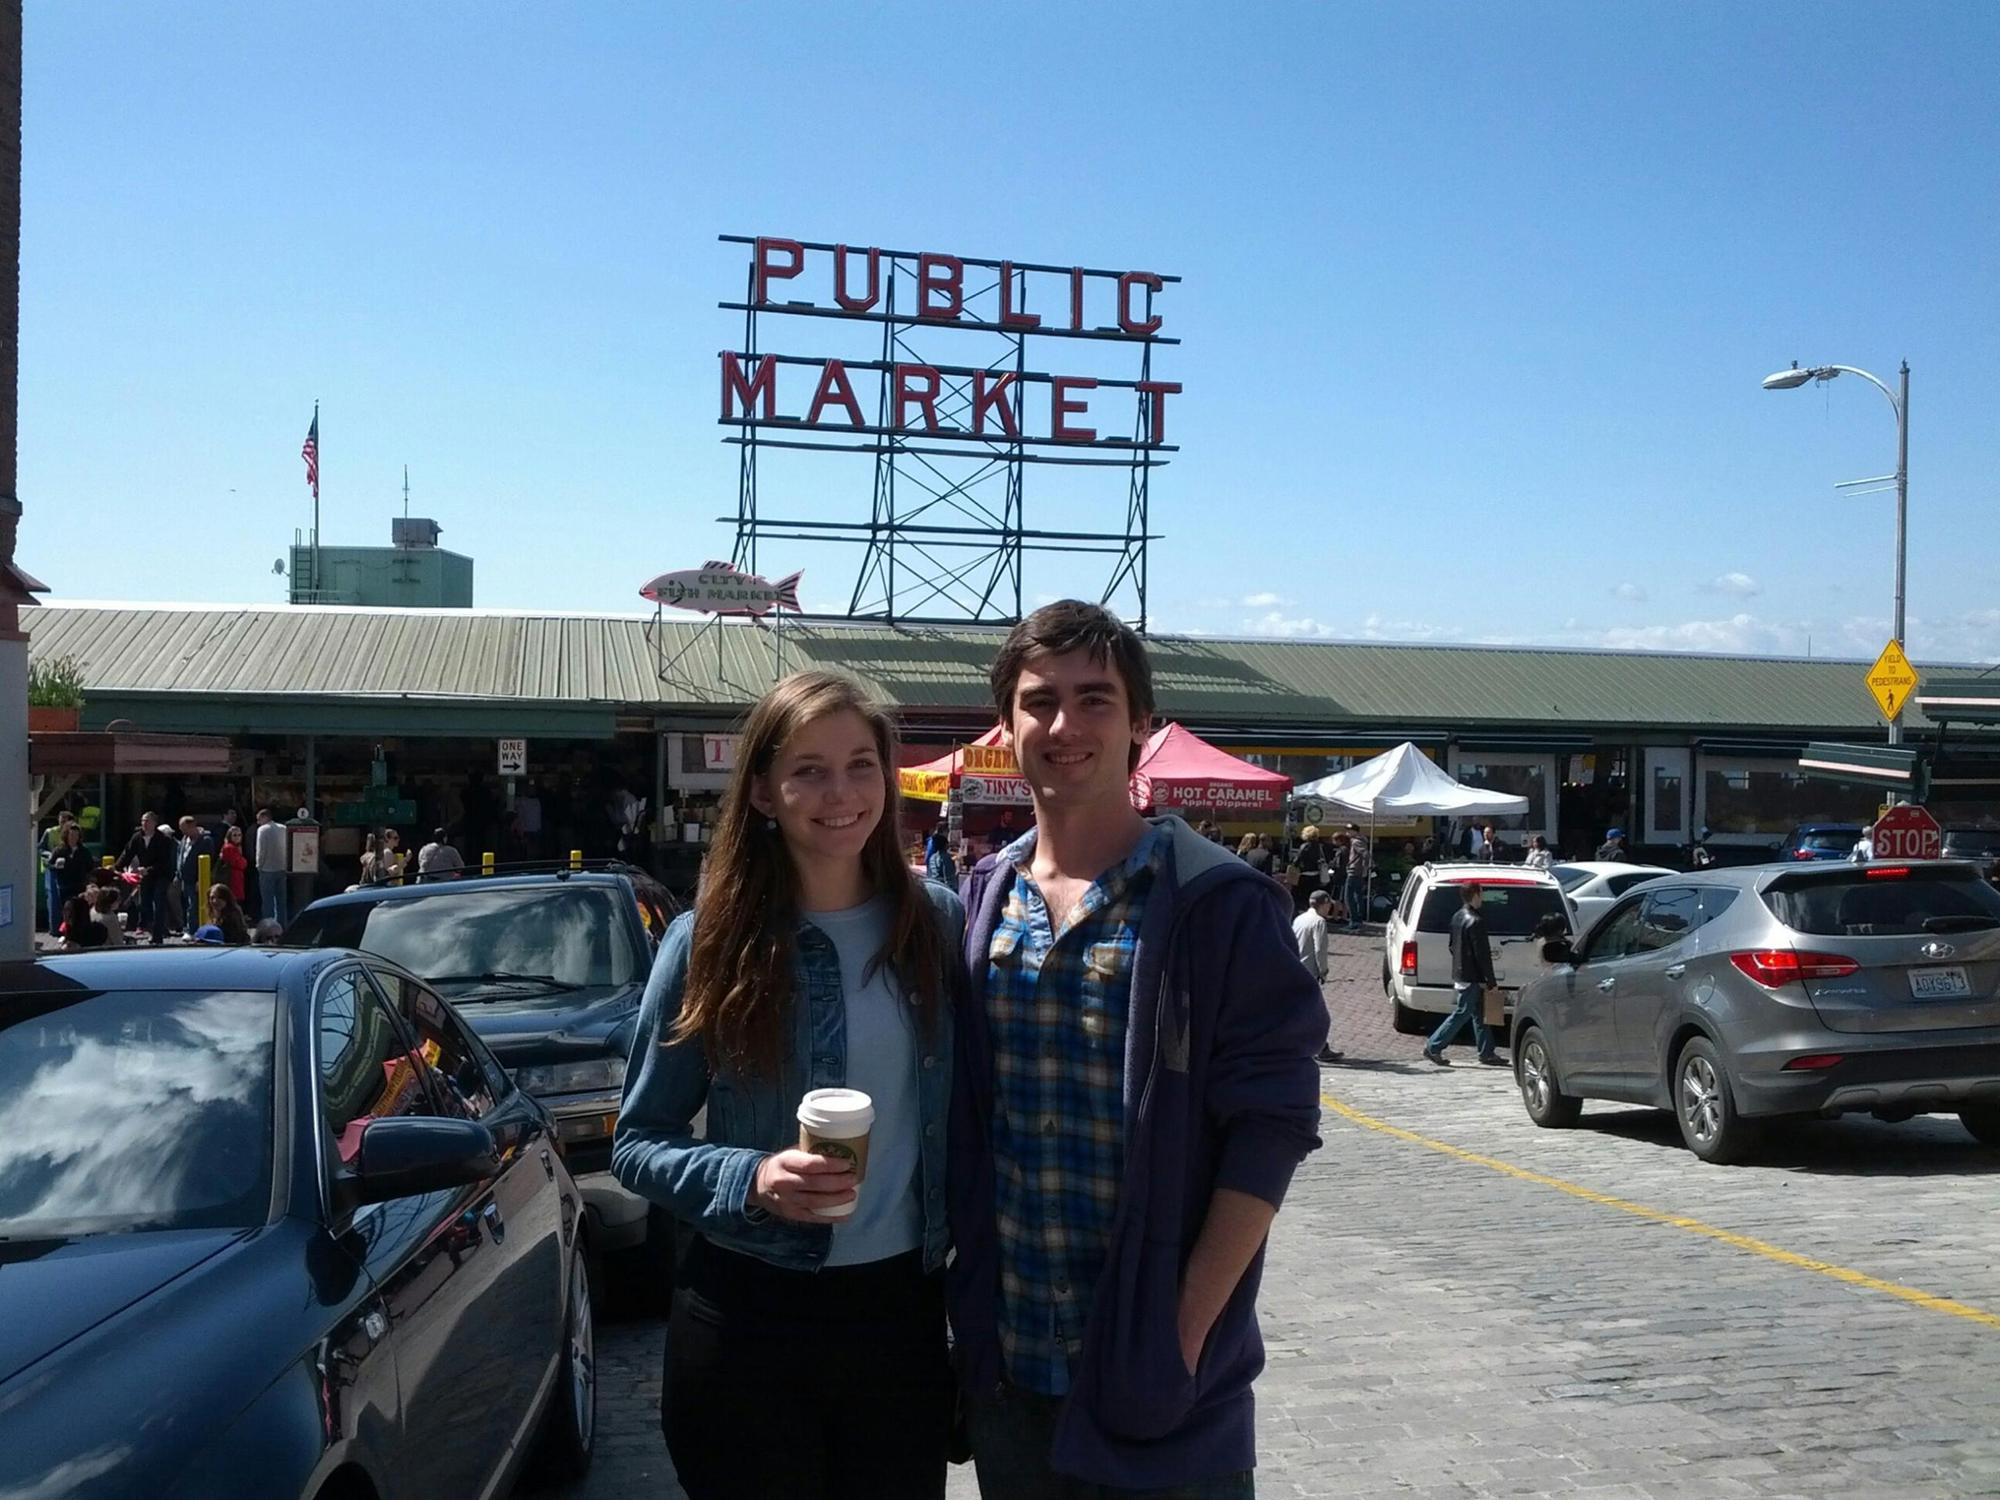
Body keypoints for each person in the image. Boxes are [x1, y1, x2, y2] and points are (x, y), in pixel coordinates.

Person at [950, 600, 1324, 1496]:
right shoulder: (979, 900)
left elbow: (1272, 1128)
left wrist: (1183, 1333)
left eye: (1096, 699)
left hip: (1160, 1378)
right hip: (1012, 1370)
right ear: (1007, 726)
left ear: (1142, 725)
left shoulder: (1220, 904)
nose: (1065, 725)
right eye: (1040, 701)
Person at [613, 671, 964, 1500]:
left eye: (860, 765)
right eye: (807, 769)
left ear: (888, 776)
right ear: (764, 791)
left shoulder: (937, 924)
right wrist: (751, 1178)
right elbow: (635, 1142)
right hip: (748, 1320)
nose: (838, 793)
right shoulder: (712, 942)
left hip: (899, 1320)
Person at [1424, 883, 1504, 1067]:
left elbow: (1452, 946)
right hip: (1473, 977)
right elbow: (1482, 955)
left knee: (1479, 1014)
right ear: (1476, 894)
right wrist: (1490, 981)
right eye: (1481, 893)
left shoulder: (1457, 916)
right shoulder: (1476, 921)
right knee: (1462, 1013)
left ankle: (1487, 1052)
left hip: (1461, 973)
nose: (1482, 897)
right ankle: (1433, 1046)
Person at [1294, 889, 1344, 1065]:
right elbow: (1319, 949)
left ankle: (1315, 1046)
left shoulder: (1299, 919)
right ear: (1324, 903)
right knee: (1316, 1014)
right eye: (1329, 904)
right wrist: (1323, 971)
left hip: (1296, 969)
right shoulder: (1318, 922)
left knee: (1301, 1012)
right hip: (1310, 973)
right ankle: (1319, 1048)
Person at [119, 811, 178, 944]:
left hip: (161, 874)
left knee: (158, 901)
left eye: (147, 821)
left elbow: (164, 862)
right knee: (144, 904)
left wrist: (148, 870)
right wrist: (116, 868)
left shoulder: (163, 839)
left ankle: (158, 935)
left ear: (154, 823)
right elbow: (127, 854)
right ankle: (151, 929)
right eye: (142, 821)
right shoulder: (137, 837)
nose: (144, 824)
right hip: (146, 875)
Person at [175, 816, 216, 938]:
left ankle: (192, 930)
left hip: (196, 879)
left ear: (192, 826)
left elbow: (211, 861)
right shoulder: (184, 839)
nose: (183, 832)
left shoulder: (205, 840)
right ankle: (189, 927)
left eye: (185, 829)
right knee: (187, 904)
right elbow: (180, 856)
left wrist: (201, 879)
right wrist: (178, 874)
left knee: (194, 906)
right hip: (185, 878)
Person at [40, 810, 77, 933]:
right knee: (54, 900)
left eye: (65, 822)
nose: (62, 825)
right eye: (61, 822)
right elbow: (40, 848)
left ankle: (67, 928)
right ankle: (55, 929)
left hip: (69, 870)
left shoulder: (74, 833)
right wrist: (50, 855)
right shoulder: (50, 832)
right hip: (52, 870)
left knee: (68, 901)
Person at [47, 822, 93, 914]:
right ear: (66, 835)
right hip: (64, 887)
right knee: (67, 912)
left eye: (76, 835)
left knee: (79, 912)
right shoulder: (59, 850)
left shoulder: (84, 851)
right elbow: (49, 865)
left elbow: (90, 867)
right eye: (71, 835)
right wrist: (56, 866)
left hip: (79, 887)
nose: (74, 838)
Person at [254, 807, 289, 925]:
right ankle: (282, 925)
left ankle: (268, 926)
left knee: (267, 901)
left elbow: (261, 850)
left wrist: (259, 865)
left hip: (267, 869)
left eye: (259, 819)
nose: (258, 822)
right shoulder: (284, 828)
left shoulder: (262, 830)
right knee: (281, 901)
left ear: (265, 817)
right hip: (282, 867)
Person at [1342, 823, 1372, 931]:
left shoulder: (1356, 841)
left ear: (1355, 831)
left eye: (1349, 830)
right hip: (1358, 872)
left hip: (1354, 872)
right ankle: (1358, 920)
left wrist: (1366, 867)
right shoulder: (1361, 840)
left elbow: (1365, 854)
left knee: (1348, 897)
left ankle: (1354, 921)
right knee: (1358, 896)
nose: (1347, 832)